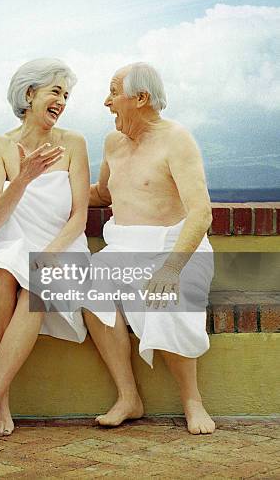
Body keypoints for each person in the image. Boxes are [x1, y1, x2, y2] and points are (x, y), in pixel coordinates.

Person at [86, 62, 215, 435]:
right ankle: (129, 397)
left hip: (176, 248)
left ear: (140, 98)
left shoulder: (177, 140)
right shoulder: (113, 142)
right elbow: (104, 194)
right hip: (124, 247)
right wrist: (44, 188)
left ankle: (192, 400)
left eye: (113, 92)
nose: (106, 101)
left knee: (165, 296)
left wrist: (171, 269)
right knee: (89, 284)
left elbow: (200, 214)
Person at [0, 58, 91, 447]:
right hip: (15, 241)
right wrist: (23, 177)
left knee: (38, 284)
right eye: (55, 91)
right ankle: (2, 397)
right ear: (29, 94)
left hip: (64, 246)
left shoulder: (74, 144)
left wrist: (52, 254)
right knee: (2, 274)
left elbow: (79, 216)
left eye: (66, 95)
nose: (62, 101)